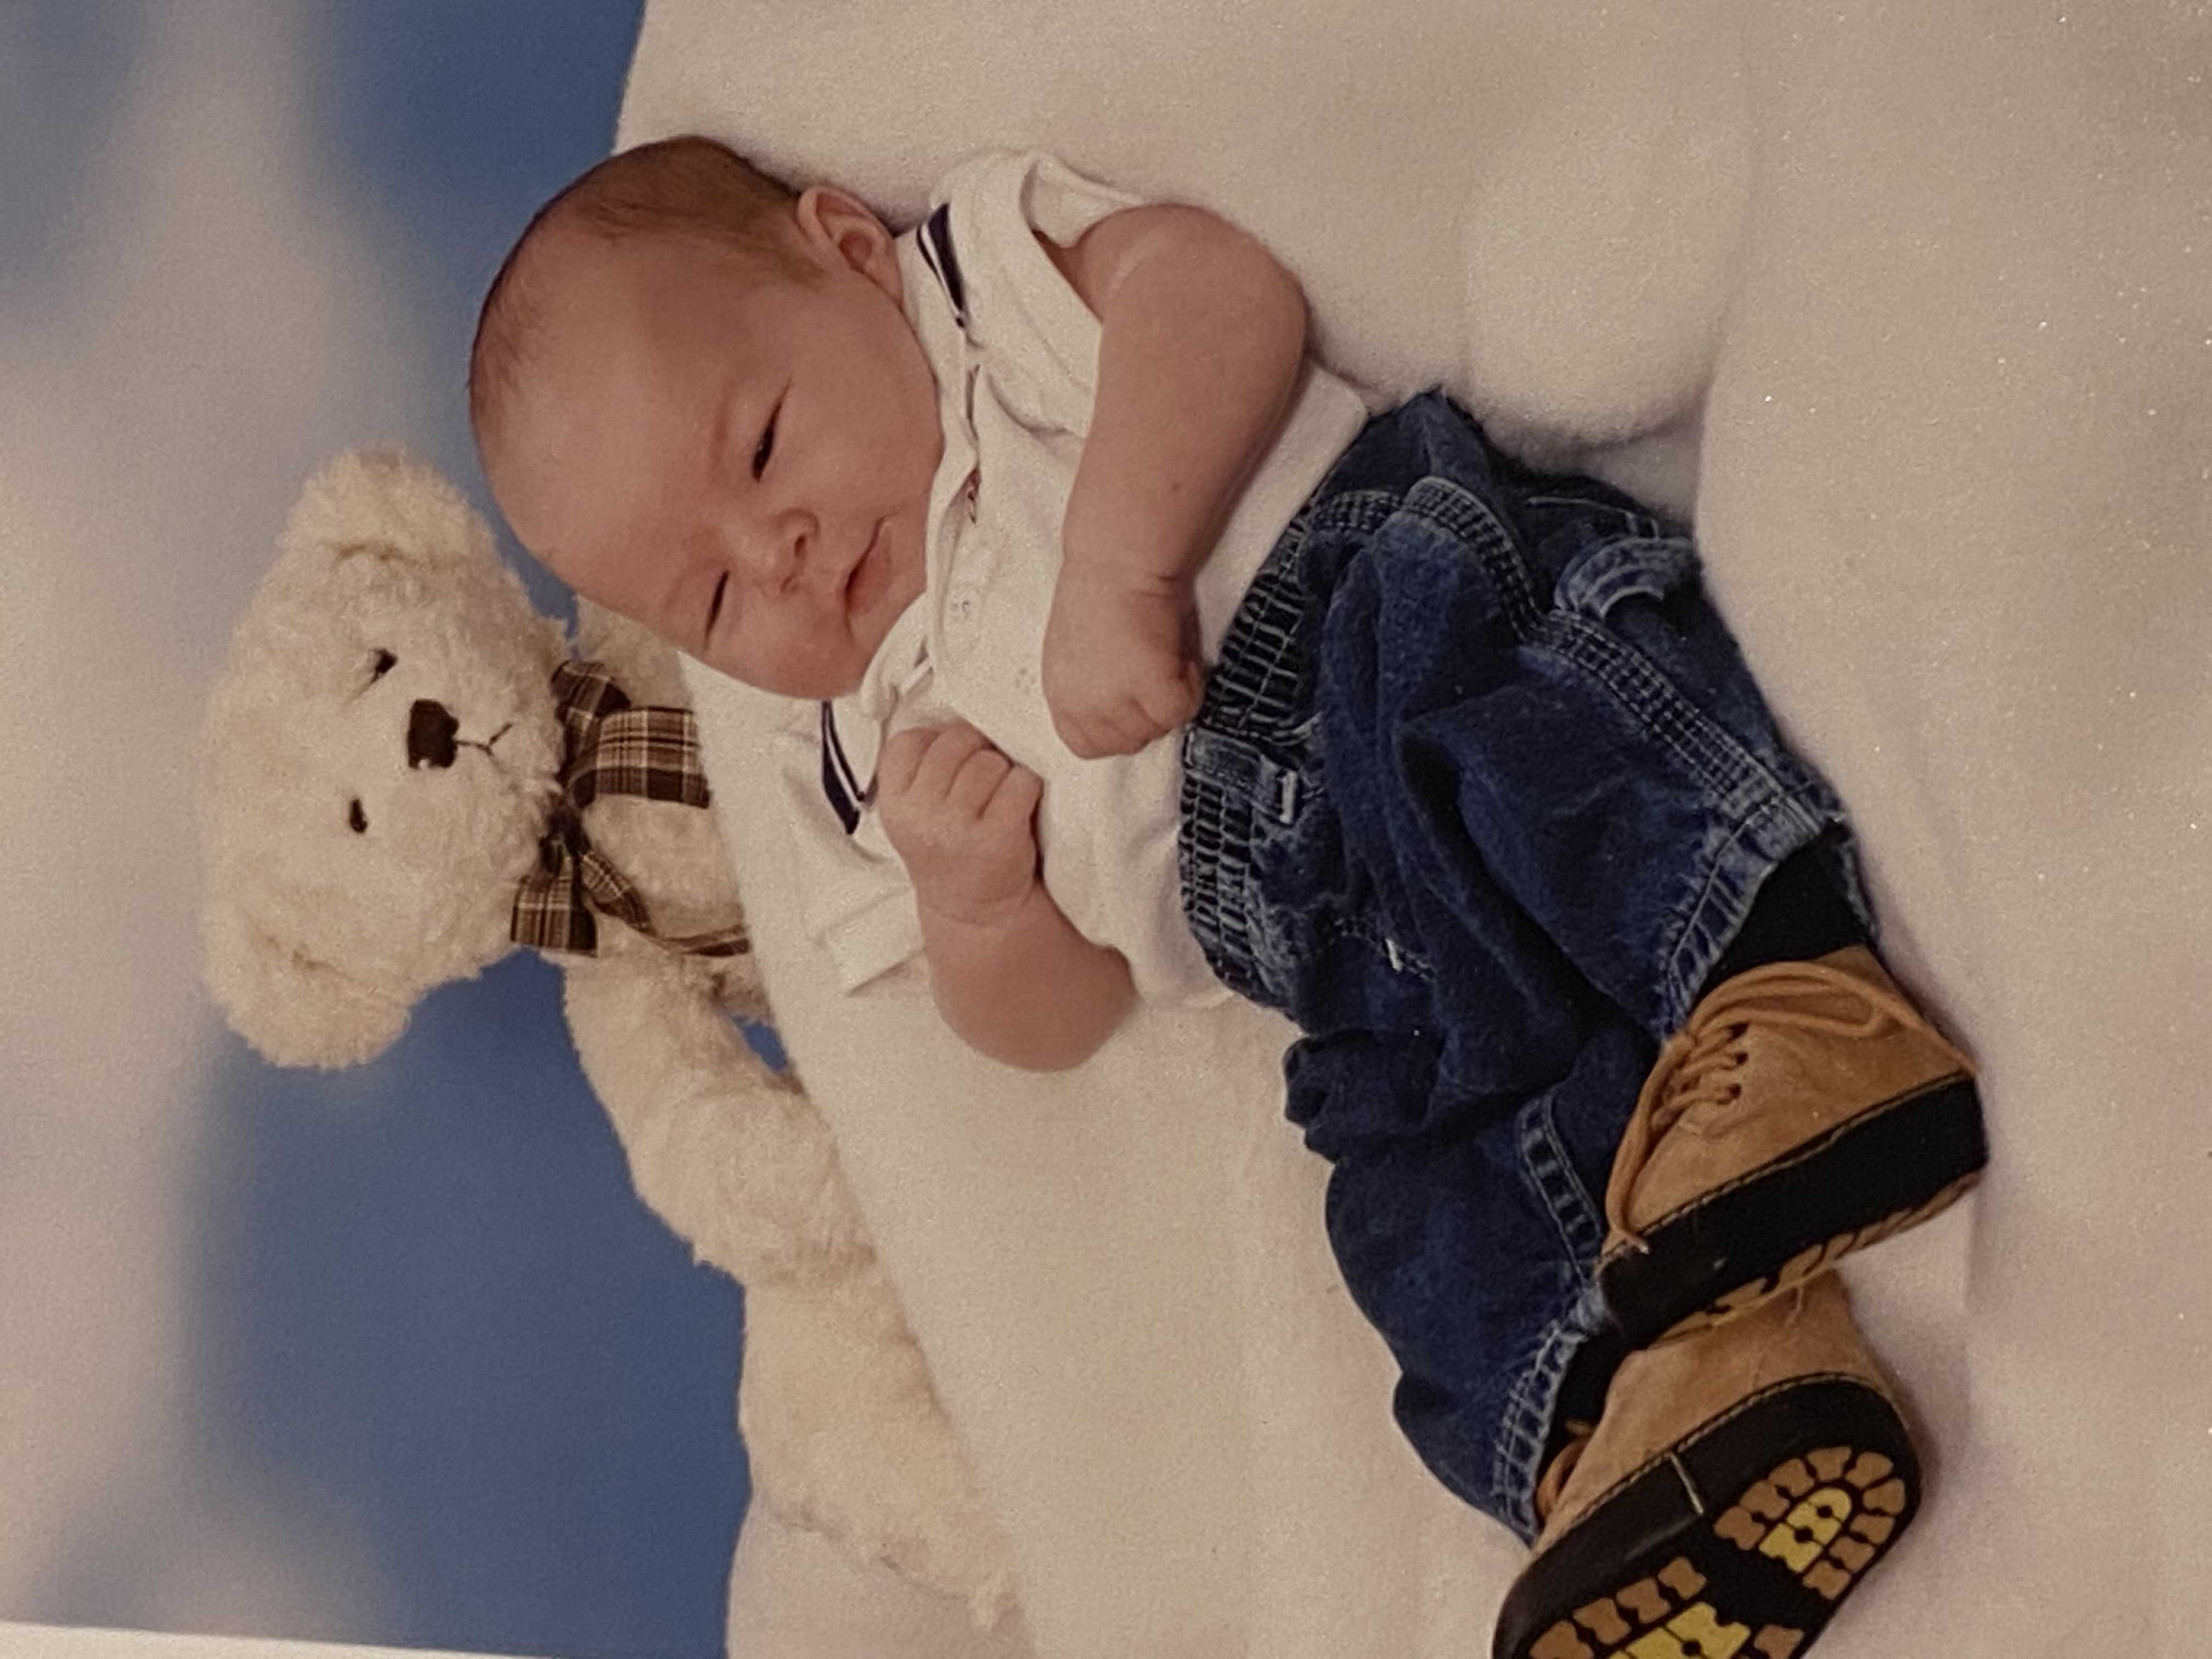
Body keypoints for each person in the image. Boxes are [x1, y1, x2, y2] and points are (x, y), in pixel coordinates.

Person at [470, 135, 1987, 1659]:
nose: (778, 558)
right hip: (1324, 952)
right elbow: (1059, 1023)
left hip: (1358, 612)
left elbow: (1219, 295)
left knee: (1542, 739)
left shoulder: (984, 301)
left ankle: (1792, 997)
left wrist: (1123, 568)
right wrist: (978, 906)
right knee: (1412, 1212)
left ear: (852, 255)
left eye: (760, 450)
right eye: (714, 600)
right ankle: (1665, 1431)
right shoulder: (857, 766)